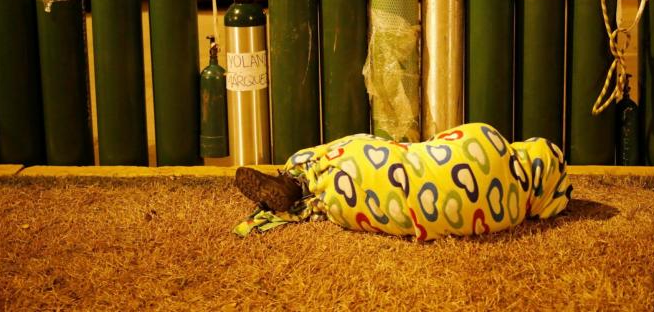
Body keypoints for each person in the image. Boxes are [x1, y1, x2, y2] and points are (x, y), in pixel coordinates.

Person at [233, 123, 572, 241]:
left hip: (377, 169)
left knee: (369, 146)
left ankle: (294, 179)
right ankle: (311, 201)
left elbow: (439, 146)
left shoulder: (492, 140)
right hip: (367, 210)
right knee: (372, 188)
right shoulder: (510, 216)